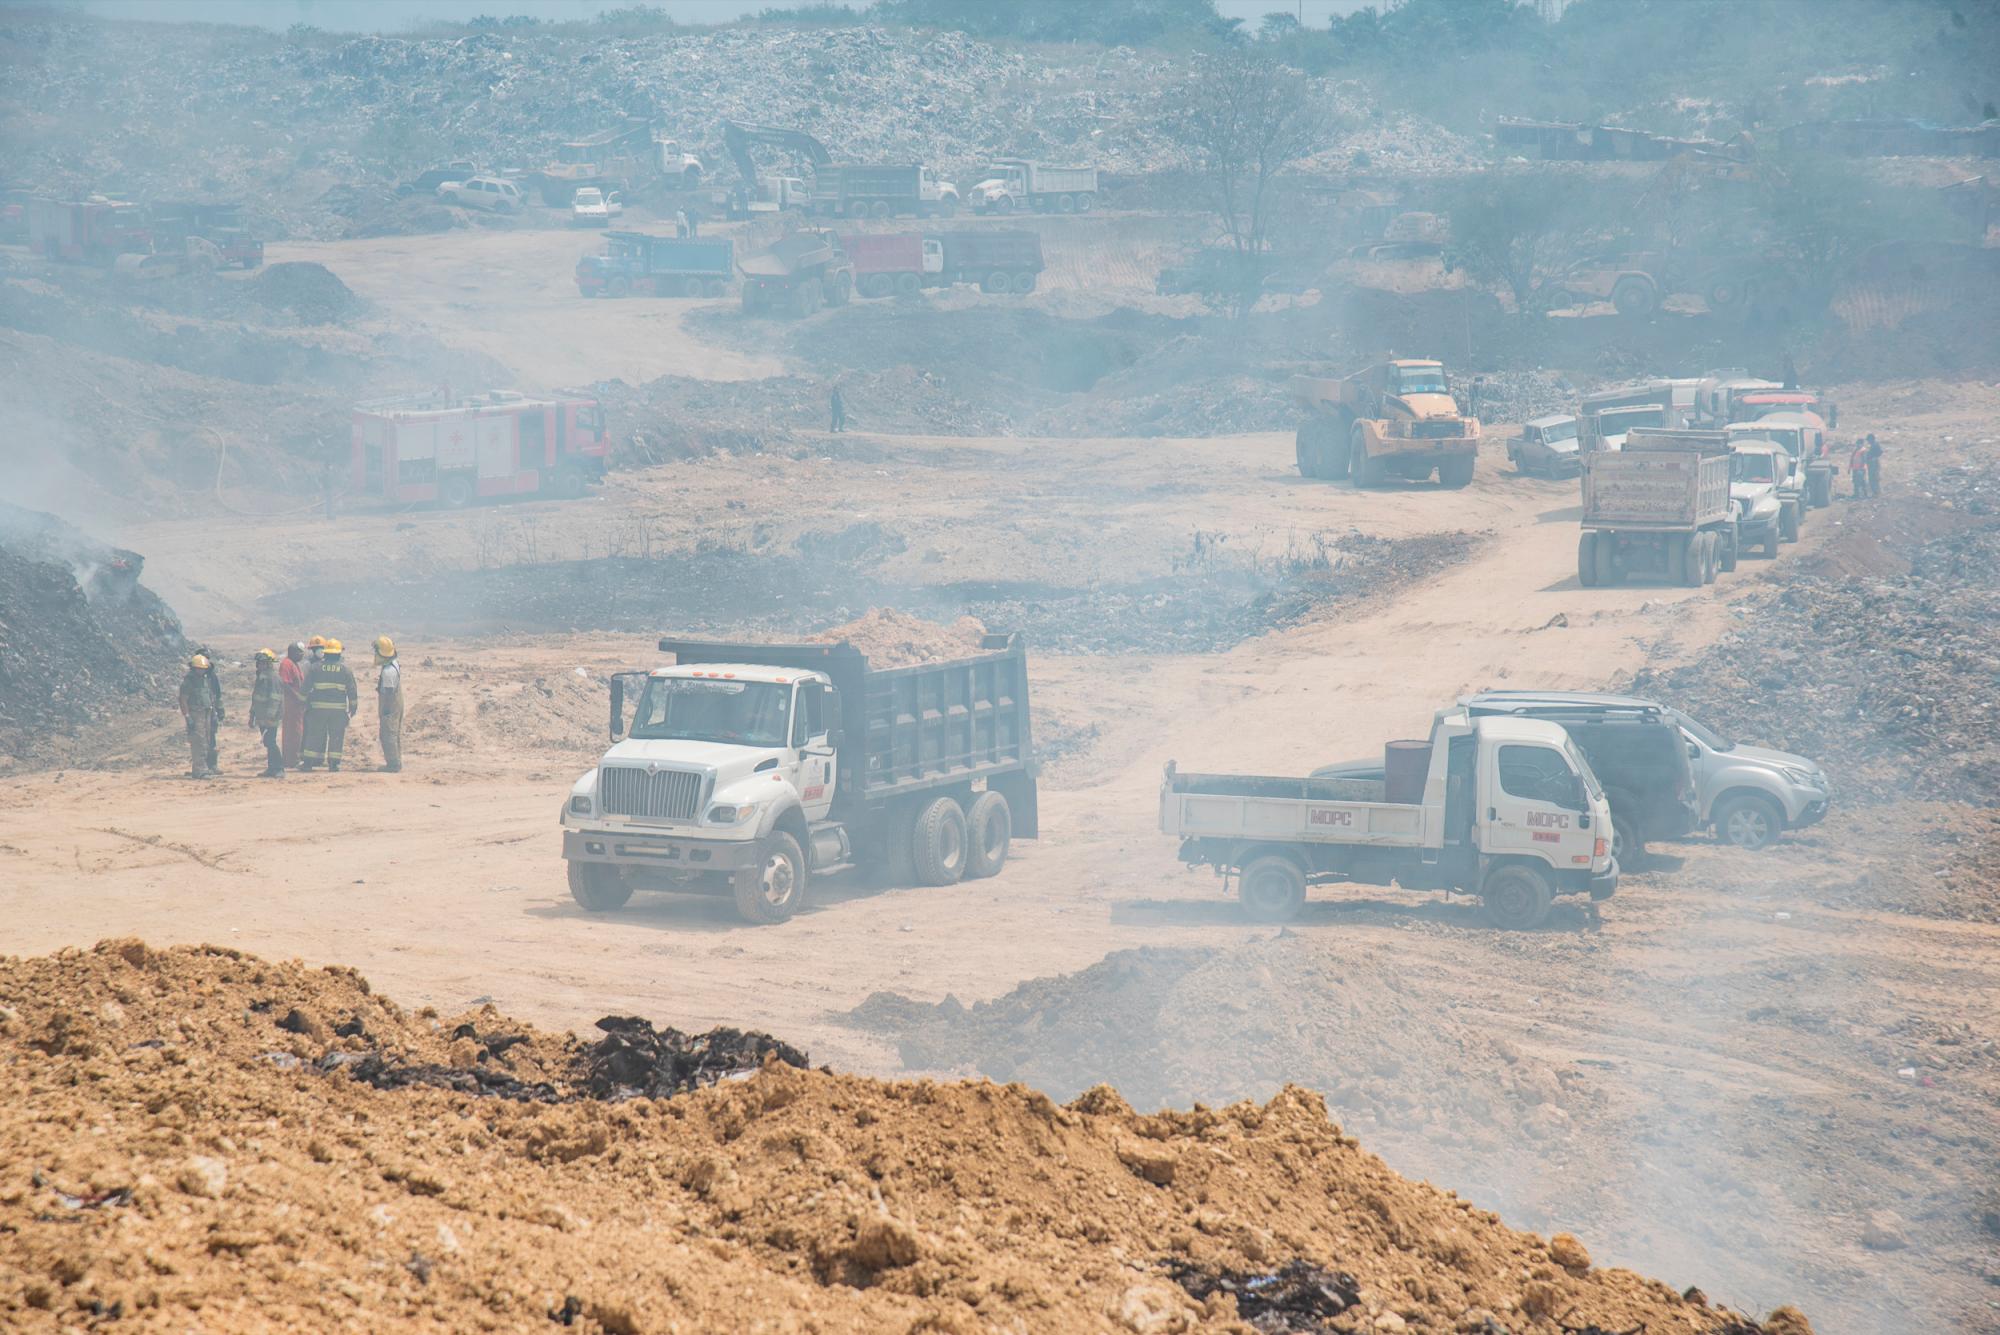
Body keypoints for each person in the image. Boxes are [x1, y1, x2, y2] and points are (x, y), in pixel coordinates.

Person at [300, 638, 359, 771]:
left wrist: (302, 703)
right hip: (338, 711)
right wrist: (353, 708)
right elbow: (352, 691)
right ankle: (334, 764)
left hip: (317, 710)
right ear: (339, 654)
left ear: (326, 653)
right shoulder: (345, 670)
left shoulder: (315, 668)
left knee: (314, 734)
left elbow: (304, 689)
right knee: (336, 736)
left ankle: (308, 763)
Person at [177, 653, 221, 779]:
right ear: (194, 668)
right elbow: (183, 699)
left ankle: (204, 768)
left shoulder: (205, 680)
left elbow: (210, 697)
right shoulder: (189, 682)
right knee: (198, 742)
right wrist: (187, 716)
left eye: (203, 668)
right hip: (196, 714)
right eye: (199, 668)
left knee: (206, 741)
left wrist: (214, 714)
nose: (201, 671)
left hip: (206, 713)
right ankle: (199, 770)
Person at [249, 648, 284, 778]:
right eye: (259, 662)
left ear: (269, 663)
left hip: (270, 717)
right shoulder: (261, 677)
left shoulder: (273, 678)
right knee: (268, 742)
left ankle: (279, 768)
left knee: (270, 741)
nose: (260, 665)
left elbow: (275, 699)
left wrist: (270, 716)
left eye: (263, 662)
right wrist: (252, 715)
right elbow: (256, 698)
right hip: (262, 716)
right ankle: (272, 769)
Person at [373, 635, 404, 773]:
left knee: (388, 734)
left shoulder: (388, 672)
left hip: (391, 706)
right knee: (393, 733)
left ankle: (393, 765)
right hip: (397, 704)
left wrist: (385, 711)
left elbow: (389, 693)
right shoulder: (394, 663)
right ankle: (396, 761)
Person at [279, 641, 308, 767]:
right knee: (292, 732)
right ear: (293, 652)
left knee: (297, 731)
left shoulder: (295, 664)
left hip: (297, 705)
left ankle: (293, 757)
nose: (302, 655)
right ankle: (291, 760)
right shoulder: (286, 664)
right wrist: (297, 697)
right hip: (291, 704)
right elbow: (285, 683)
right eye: (300, 653)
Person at [1863, 433, 1883, 498]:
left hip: (1874, 463)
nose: (1868, 441)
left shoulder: (1875, 445)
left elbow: (1880, 452)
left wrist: (1874, 457)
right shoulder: (1873, 445)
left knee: (1874, 477)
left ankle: (1876, 493)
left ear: (1871, 439)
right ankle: (1875, 492)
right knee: (1872, 477)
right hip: (1871, 463)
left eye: (1868, 440)